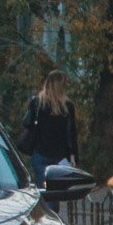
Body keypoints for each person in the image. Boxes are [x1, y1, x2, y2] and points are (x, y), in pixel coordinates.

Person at [22, 70, 78, 208]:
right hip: (59, 157)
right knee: (55, 194)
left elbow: (26, 123)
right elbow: (70, 133)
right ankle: (51, 219)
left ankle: (46, 219)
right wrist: (72, 155)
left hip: (40, 153)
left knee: (45, 192)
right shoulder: (67, 107)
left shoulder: (37, 103)